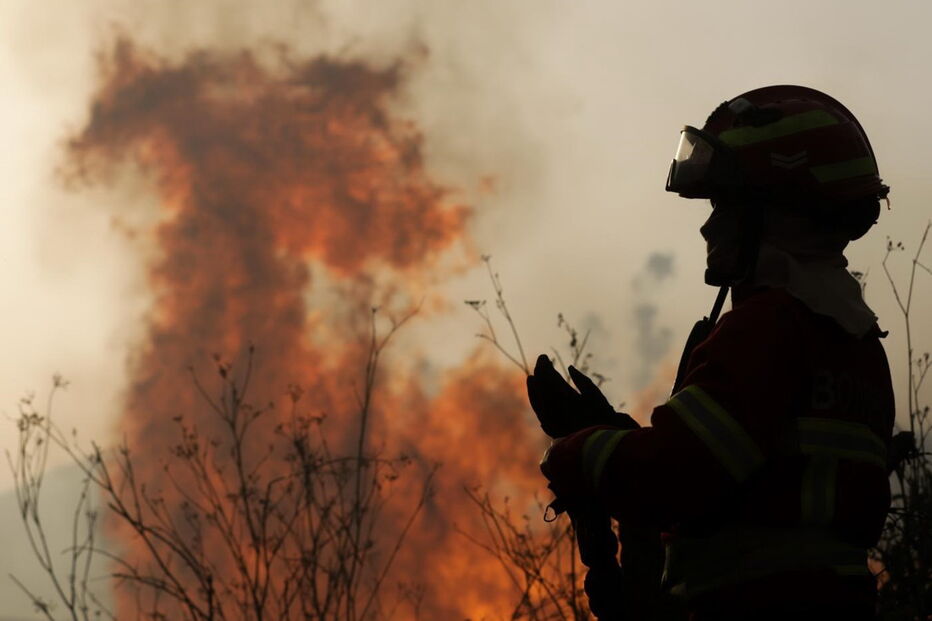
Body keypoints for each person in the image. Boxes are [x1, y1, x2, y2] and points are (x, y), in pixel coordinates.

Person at [532, 85, 895, 620]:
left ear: (782, 212)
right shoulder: (854, 341)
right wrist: (620, 434)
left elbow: (678, 476)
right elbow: (742, 470)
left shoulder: (766, 329)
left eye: (726, 204)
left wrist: (579, 452)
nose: (709, 224)